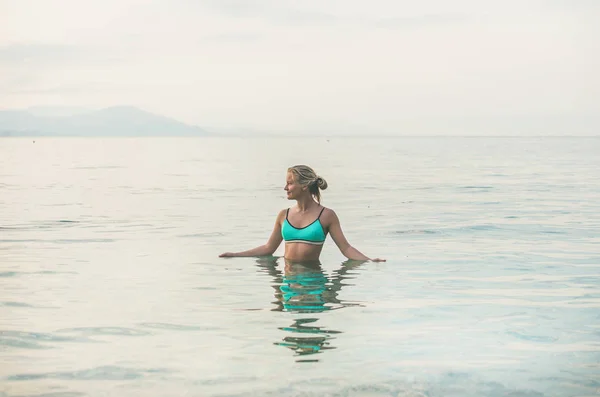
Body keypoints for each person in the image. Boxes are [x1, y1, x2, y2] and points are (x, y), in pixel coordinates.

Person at [219, 165, 386, 262]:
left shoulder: (327, 215)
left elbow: (346, 248)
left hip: (314, 281)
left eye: (290, 183)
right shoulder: (283, 215)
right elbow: (269, 248)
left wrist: (369, 261)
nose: (285, 188)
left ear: (304, 186)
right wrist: (235, 254)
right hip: (288, 283)